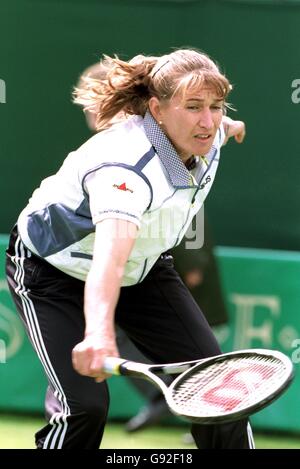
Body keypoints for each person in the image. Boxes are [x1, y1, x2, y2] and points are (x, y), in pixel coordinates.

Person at [5, 48, 254, 449]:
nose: (207, 120)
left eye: (216, 106)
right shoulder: (125, 167)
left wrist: (232, 125)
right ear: (156, 109)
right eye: (193, 107)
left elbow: (222, 126)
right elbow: (109, 257)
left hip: (143, 267)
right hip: (50, 271)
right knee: (84, 406)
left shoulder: (206, 133)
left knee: (219, 393)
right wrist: (99, 333)